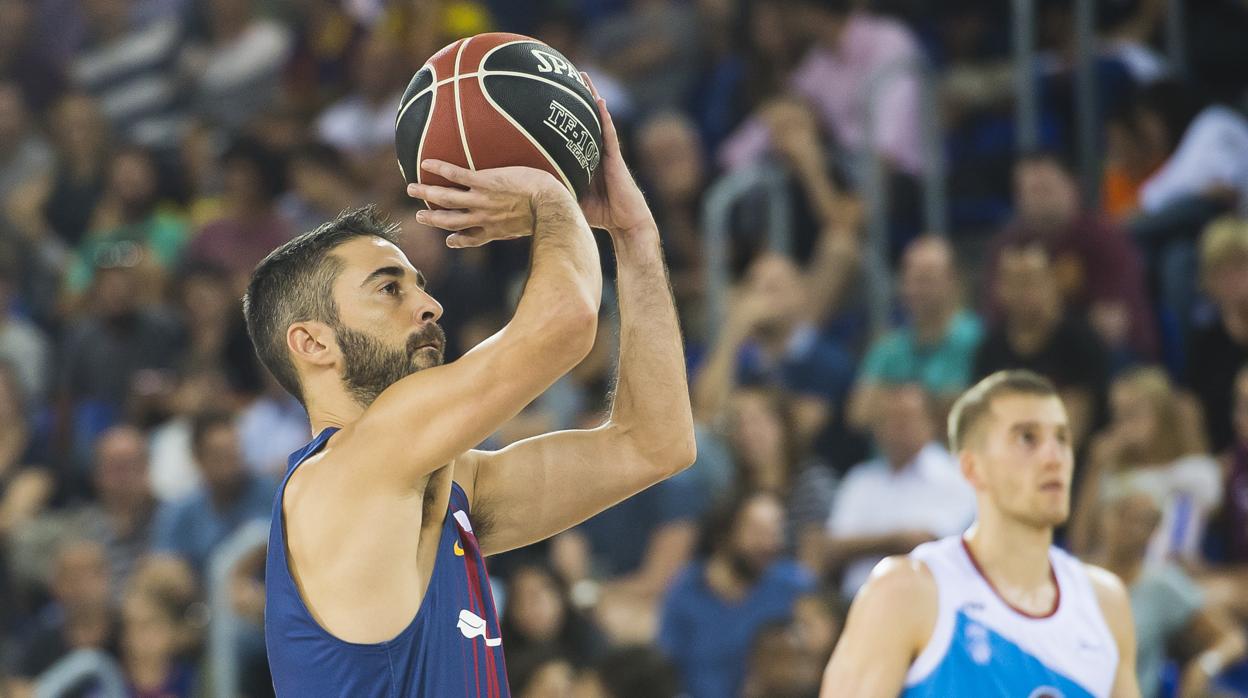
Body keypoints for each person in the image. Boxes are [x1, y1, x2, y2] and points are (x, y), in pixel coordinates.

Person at [247, 81, 695, 695]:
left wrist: (635, 240)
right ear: (313, 343)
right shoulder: (345, 471)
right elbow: (565, 324)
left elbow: (656, 443)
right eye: (388, 289)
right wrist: (548, 192)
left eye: (420, 283)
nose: (429, 305)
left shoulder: (448, 487)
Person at [820, 370, 1140, 697]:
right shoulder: (906, 591)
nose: (1054, 457)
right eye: (1027, 438)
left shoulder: (1105, 602)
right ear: (972, 468)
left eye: (1062, 438)